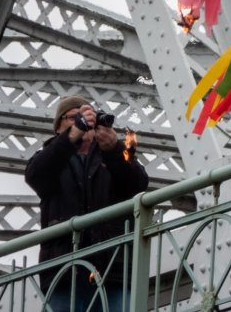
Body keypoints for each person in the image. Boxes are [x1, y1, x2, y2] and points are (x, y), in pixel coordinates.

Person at [24, 96, 149, 312]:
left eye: (89, 119)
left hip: (113, 269)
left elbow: (138, 183)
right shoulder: (48, 156)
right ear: (58, 127)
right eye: (75, 118)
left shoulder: (112, 156)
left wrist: (115, 149)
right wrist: (72, 137)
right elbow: (35, 176)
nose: (83, 124)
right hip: (63, 271)